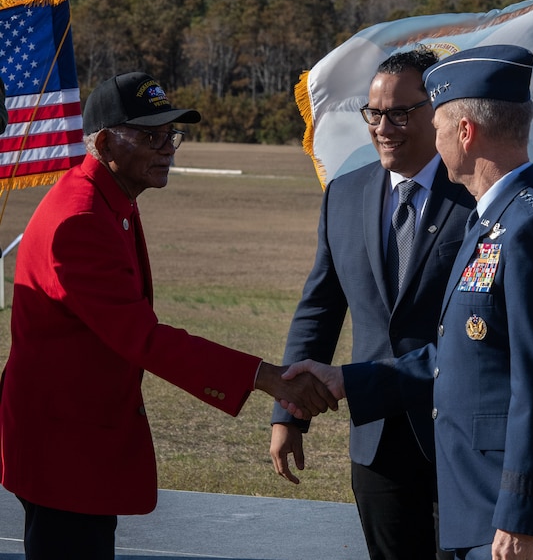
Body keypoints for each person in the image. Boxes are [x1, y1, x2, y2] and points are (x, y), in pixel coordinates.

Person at [282, 45, 533, 560]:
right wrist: (350, 381)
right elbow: (466, 355)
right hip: (478, 503)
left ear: (465, 132)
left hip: (511, 516)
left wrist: (521, 517)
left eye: (440, 124)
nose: (435, 139)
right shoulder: (491, 219)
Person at [0, 71, 337, 560]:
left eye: (171, 135)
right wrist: (264, 377)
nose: (168, 148)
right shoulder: (81, 218)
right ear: (106, 141)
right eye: (152, 135)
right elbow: (143, 338)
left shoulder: (105, 199)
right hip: (63, 447)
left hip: (73, 440)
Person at [270, 49, 474, 560]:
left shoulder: (477, 196)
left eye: (401, 113)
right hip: (377, 444)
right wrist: (289, 414)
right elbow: (319, 308)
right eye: (375, 113)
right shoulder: (344, 194)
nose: (384, 127)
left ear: (438, 112)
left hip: (461, 440)